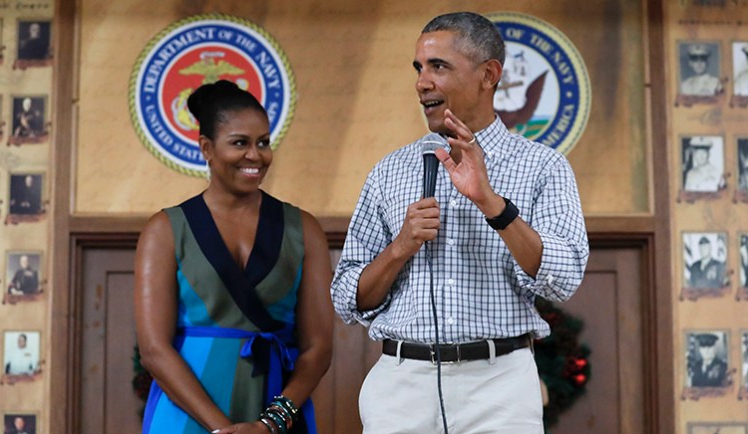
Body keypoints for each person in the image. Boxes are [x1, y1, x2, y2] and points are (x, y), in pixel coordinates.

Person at [331, 12, 589, 433]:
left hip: (500, 386)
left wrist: (492, 204)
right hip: (401, 386)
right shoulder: (390, 171)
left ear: (489, 74)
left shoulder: (543, 166)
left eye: (438, 66)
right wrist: (399, 249)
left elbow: (563, 278)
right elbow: (346, 297)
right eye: (419, 68)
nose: (422, 82)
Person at [134, 80, 333, 434]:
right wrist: (222, 429)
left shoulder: (304, 229)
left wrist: (271, 423)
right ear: (207, 148)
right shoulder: (164, 230)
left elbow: (318, 348)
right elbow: (153, 350)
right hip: (187, 416)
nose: (255, 155)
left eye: (263, 143)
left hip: (275, 418)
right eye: (240, 142)